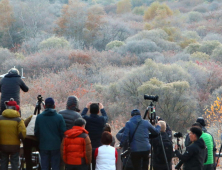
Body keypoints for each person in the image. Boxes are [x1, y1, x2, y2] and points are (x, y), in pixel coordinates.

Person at [34, 97, 66, 170]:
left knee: (44, 166)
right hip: (56, 145)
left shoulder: (39, 117)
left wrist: (41, 140)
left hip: (43, 145)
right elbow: (63, 132)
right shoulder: (59, 117)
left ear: (44, 106)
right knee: (55, 166)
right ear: (54, 106)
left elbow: (36, 132)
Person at [0, 99, 26, 170]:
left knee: (3, 162)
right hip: (15, 146)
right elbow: (22, 133)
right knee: (14, 163)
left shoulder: (0, 118)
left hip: (2, 145)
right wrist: (22, 139)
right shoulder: (19, 120)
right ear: (15, 108)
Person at [81, 102, 108, 170]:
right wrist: (102, 109)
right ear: (98, 111)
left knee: (87, 165)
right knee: (96, 165)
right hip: (99, 146)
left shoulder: (86, 119)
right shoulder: (101, 120)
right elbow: (106, 117)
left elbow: (81, 116)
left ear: (89, 111)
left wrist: (86, 107)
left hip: (88, 146)